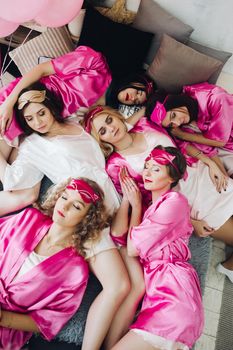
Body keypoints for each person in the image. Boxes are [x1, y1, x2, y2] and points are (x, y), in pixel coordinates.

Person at [0, 84, 145, 350]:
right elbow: (12, 180)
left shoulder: (76, 123)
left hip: (115, 205)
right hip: (89, 215)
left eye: (40, 113)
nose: (37, 122)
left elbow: (94, 86)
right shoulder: (33, 146)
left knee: (138, 285)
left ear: (51, 108)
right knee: (119, 285)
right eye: (30, 119)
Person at [83, 105, 233, 257]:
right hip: (189, 203)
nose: (111, 128)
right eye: (103, 131)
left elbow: (180, 145)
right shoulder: (116, 165)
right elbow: (148, 202)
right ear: (101, 140)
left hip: (204, 174)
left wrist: (210, 163)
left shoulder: (145, 124)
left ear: (117, 116)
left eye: (109, 120)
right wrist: (190, 222)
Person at [110, 146, 204, 350]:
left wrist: (135, 207)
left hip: (174, 297)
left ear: (172, 177)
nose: (147, 173)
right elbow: (118, 235)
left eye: (156, 169)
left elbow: (132, 248)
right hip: (158, 296)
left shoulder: (175, 201)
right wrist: (128, 201)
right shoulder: (151, 209)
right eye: (146, 167)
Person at [0, 176, 107, 350]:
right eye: (65, 197)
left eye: (76, 206)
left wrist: (4, 318)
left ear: (87, 218)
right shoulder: (27, 218)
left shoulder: (75, 270)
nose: (64, 206)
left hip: (6, 330)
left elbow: (47, 322)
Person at [0, 47, 151, 157]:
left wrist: (145, 109)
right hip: (20, 98)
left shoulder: (104, 113)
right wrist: (8, 103)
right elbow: (41, 70)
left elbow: (123, 129)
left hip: (34, 123)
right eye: (138, 92)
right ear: (133, 81)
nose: (133, 98)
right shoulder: (96, 63)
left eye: (136, 101)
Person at [145, 82, 233, 177]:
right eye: (171, 124)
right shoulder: (180, 125)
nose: (177, 123)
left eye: (173, 115)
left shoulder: (215, 98)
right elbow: (200, 148)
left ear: (174, 102)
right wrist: (219, 171)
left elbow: (220, 141)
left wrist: (183, 135)